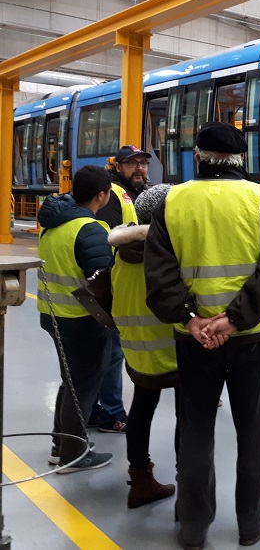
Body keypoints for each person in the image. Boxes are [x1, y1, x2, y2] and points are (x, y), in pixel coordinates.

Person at [145, 122, 260, 550]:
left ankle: (193, 525)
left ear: (198, 157)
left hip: (193, 340)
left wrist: (192, 318)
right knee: (252, 430)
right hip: (253, 338)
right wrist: (235, 319)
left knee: (195, 431)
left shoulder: (172, 201)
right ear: (242, 160)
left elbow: (160, 273)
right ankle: (251, 521)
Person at [37, 164, 115, 473]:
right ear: (101, 195)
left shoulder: (53, 223)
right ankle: (73, 454)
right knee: (82, 385)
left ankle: (62, 444)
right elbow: (103, 281)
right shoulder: (90, 229)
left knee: (70, 381)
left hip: (53, 314)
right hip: (82, 319)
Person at [109, 183, 178, 508]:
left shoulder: (121, 251)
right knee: (190, 416)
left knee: (141, 409)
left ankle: (140, 480)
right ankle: (190, 485)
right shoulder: (168, 251)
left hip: (137, 349)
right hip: (175, 348)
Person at [92, 144, 153, 434]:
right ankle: (113, 413)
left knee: (110, 350)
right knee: (113, 350)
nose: (140, 169)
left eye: (143, 163)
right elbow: (111, 238)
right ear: (118, 166)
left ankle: (95, 410)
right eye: (133, 164)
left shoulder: (137, 192)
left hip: (125, 281)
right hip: (119, 281)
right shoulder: (114, 192)